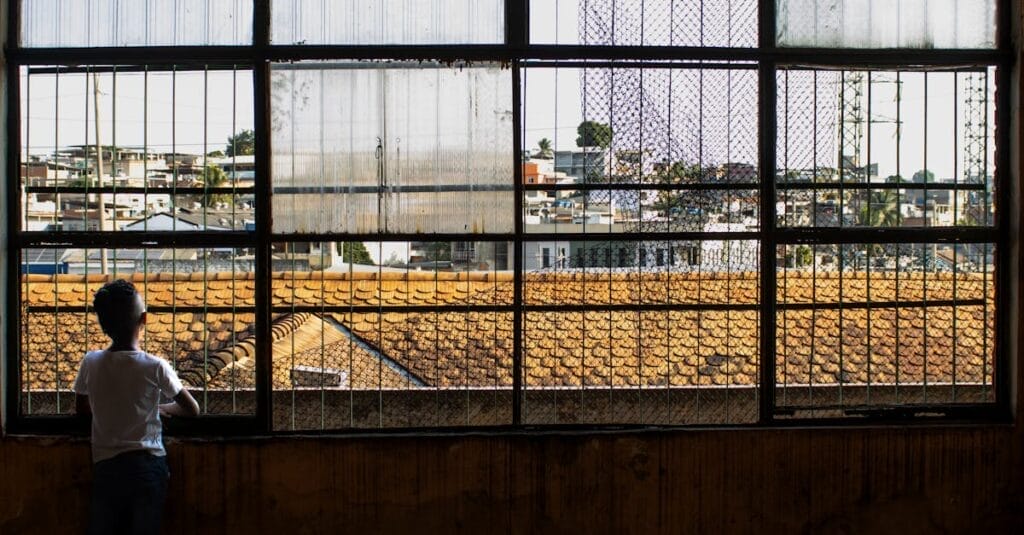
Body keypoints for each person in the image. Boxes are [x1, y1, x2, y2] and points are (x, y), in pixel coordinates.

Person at [74, 279, 200, 535]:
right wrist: (161, 409)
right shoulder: (155, 366)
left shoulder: (91, 362)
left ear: (103, 324)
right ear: (144, 319)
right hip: (147, 467)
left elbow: (82, 408)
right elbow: (191, 409)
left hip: (106, 466)